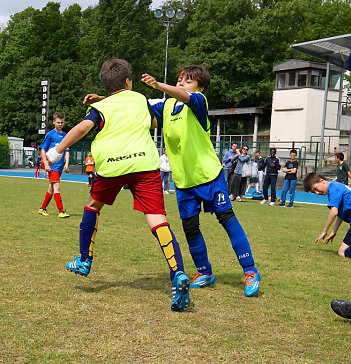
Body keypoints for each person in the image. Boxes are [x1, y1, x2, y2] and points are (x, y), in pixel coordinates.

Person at [48, 59, 190, 311]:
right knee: (157, 218)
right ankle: (178, 273)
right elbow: (146, 116)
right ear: (128, 81)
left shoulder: (101, 106)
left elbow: (82, 128)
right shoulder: (138, 99)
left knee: (92, 206)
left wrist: (57, 151)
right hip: (145, 164)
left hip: (112, 165)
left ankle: (84, 260)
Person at [140, 65, 261, 297]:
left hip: (209, 176)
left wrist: (157, 85)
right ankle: (204, 272)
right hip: (184, 182)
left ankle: (250, 271)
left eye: (189, 80)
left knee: (226, 219)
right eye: (180, 79)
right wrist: (106, 102)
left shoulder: (198, 102)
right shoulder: (166, 107)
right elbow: (136, 110)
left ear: (201, 87)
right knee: (190, 227)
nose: (182, 83)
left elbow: (185, 96)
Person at [38, 112, 70, 218]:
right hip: (52, 166)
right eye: (58, 122)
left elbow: (67, 151)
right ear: (53, 122)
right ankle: (61, 211)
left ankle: (42, 208)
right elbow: (43, 149)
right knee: (57, 186)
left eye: (61, 122)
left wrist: (66, 163)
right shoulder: (50, 134)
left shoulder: (65, 135)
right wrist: (46, 164)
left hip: (59, 166)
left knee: (51, 188)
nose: (60, 124)